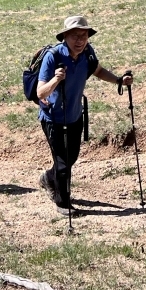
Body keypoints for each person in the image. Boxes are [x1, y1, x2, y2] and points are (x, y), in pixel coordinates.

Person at [36, 15, 132, 216]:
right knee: (63, 162)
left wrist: (118, 81)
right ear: (65, 37)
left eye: (84, 35)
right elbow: (40, 92)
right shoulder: (53, 57)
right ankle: (62, 203)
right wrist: (55, 80)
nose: (80, 40)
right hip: (53, 118)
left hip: (75, 115)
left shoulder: (87, 52)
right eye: (74, 36)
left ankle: (48, 178)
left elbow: (97, 70)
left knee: (71, 158)